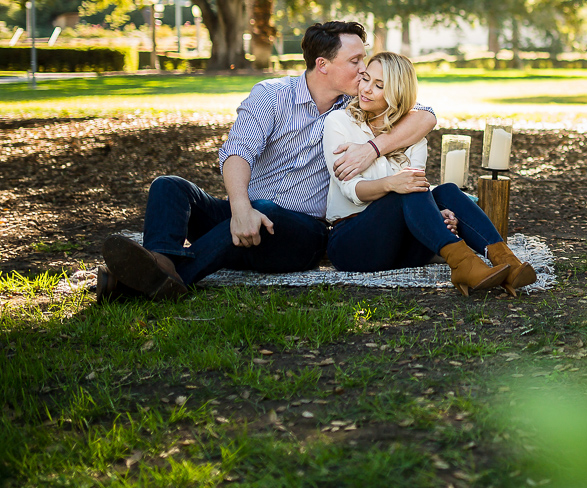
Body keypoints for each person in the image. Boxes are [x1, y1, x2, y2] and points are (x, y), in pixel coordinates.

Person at [98, 21, 436, 300]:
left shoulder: (355, 110)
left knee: (267, 210)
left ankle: (150, 283)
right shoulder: (272, 96)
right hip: (247, 210)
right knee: (169, 187)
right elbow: (236, 152)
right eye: (355, 62)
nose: (364, 70)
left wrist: (373, 148)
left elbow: (425, 115)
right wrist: (241, 209)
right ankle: (161, 263)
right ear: (323, 65)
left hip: (301, 232)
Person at [323, 51, 536, 296]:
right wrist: (391, 183)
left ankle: (507, 262)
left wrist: (438, 215)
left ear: (397, 93)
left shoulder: (412, 136)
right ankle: (464, 264)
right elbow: (351, 191)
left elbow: (416, 192)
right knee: (407, 186)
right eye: (366, 79)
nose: (366, 89)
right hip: (354, 245)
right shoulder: (339, 122)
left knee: (446, 192)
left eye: (379, 85)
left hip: (404, 247)